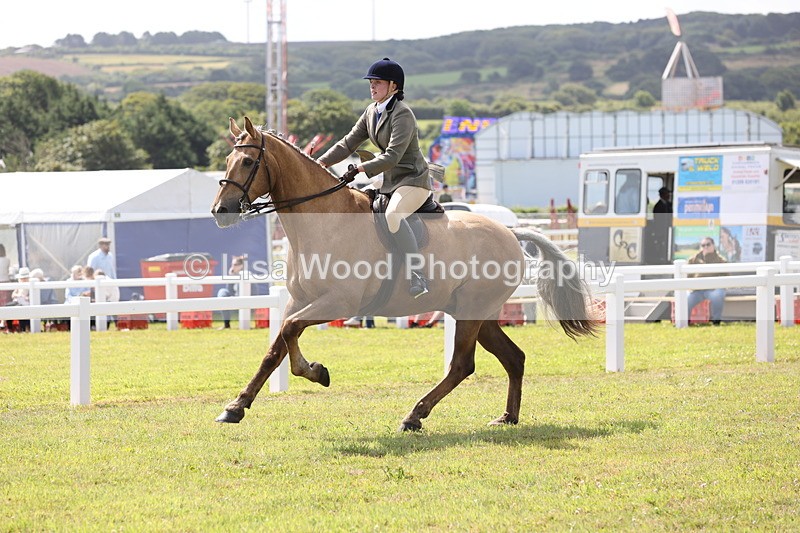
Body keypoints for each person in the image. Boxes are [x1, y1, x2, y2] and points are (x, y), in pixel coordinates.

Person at [317, 57, 432, 299]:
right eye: (371, 82)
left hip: (411, 181)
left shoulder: (403, 114)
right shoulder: (371, 112)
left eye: (378, 82)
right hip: (387, 182)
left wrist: (360, 170)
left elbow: (392, 156)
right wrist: (321, 162)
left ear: (394, 86)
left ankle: (417, 273)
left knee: (393, 215)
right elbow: (348, 142)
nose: (372, 87)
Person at [687, 237, 727, 325]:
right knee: (686, 298)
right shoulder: (693, 259)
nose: (705, 247)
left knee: (718, 295)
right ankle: (685, 322)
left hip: (713, 290)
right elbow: (687, 276)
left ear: (713, 245)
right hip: (697, 291)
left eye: (708, 244)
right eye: (703, 245)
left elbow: (726, 277)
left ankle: (716, 321)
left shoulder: (721, 260)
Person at [217, 255, 245, 329]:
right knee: (222, 292)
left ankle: (244, 325)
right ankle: (227, 325)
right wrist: (230, 276)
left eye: (235, 265)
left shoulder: (246, 274)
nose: (233, 267)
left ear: (241, 266)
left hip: (245, 299)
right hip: (235, 298)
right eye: (232, 264)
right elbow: (229, 290)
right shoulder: (233, 274)